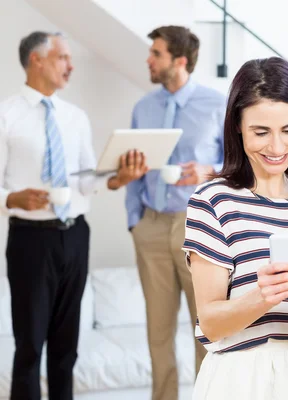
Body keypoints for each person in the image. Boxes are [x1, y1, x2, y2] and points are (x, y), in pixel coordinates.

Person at [0, 31, 146, 400]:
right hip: (30, 240)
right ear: (37, 59)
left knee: (66, 350)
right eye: (63, 57)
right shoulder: (7, 115)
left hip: (76, 235)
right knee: (30, 347)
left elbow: (85, 181)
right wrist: (13, 197)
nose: (71, 65)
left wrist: (117, 179)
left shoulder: (75, 117)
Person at [182, 57, 288, 400]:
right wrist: (263, 295)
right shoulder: (212, 200)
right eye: (261, 132)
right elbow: (210, 321)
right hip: (240, 378)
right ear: (237, 125)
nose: (277, 148)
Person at [121, 25, 226, 400]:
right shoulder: (143, 107)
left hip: (198, 227)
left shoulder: (218, 105)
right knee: (158, 331)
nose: (148, 59)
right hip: (150, 226)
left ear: (180, 61)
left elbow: (242, 165)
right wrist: (135, 221)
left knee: (207, 327)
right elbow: (131, 169)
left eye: (156, 54)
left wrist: (208, 171)